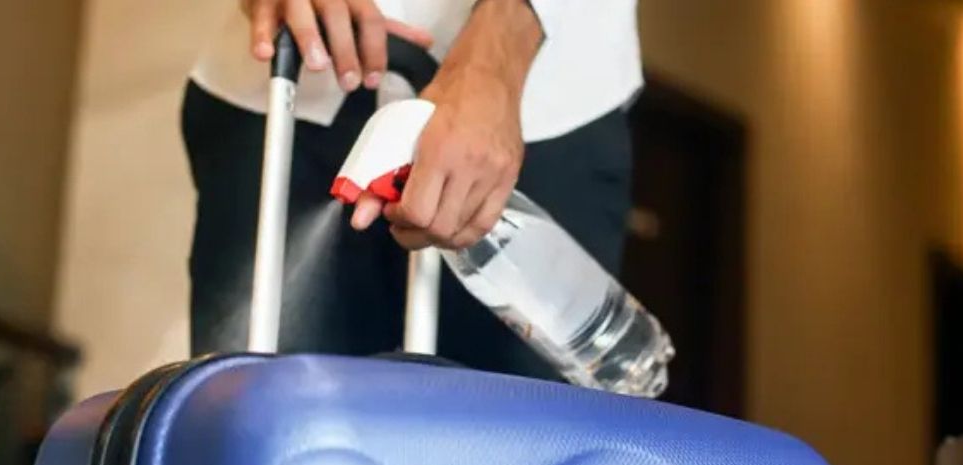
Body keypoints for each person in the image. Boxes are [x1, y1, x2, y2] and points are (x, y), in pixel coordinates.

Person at [184, 0, 641, 379]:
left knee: (517, 452)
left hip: (539, 106)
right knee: (264, 439)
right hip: (293, 76)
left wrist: (495, 54)